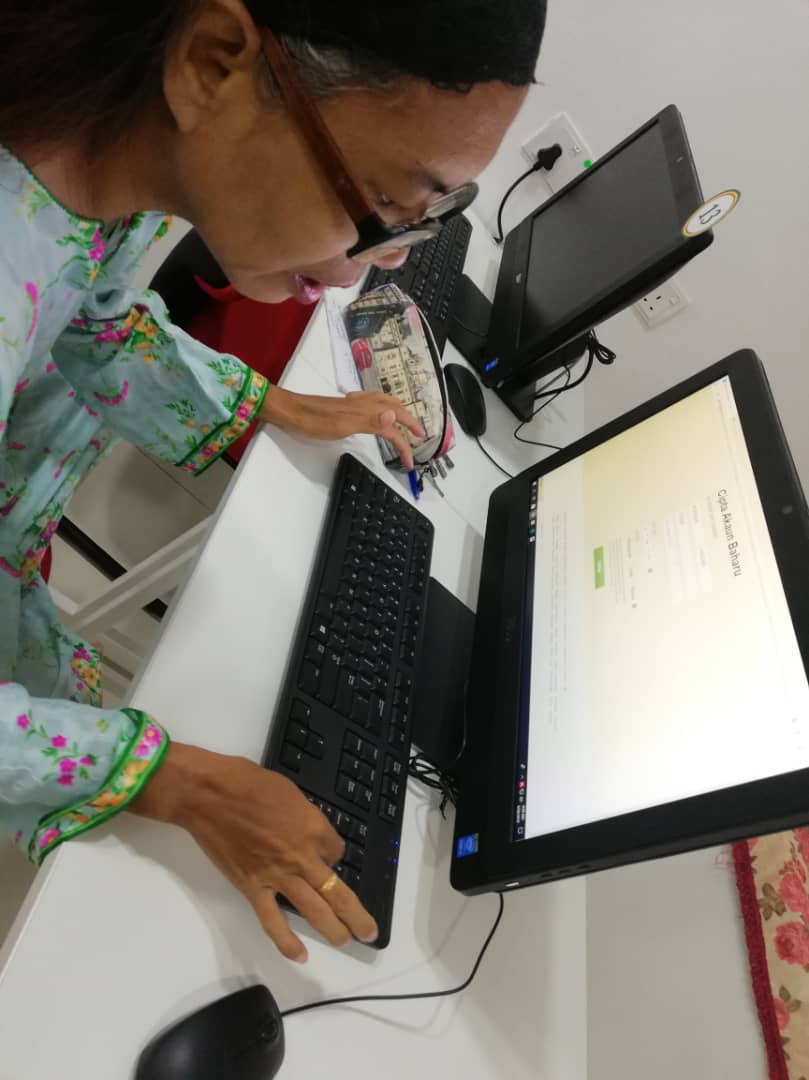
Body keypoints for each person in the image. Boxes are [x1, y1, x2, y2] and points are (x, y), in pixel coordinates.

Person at [0, 0, 546, 963]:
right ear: (212, 63)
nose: (356, 277)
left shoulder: (93, 169)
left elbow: (95, 321)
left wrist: (269, 404)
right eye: (383, 204)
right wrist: (178, 782)